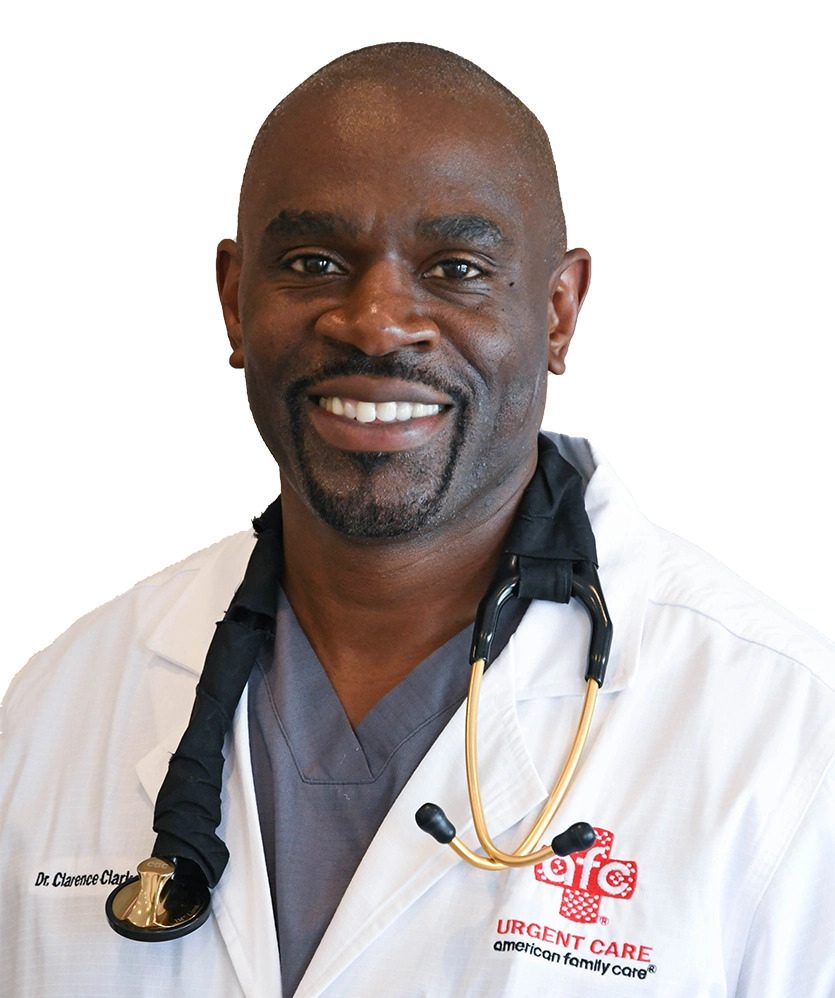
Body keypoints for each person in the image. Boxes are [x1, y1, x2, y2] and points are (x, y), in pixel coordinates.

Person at [1, 41, 833, 998]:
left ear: (558, 312)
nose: (377, 320)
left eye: (456, 267)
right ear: (234, 301)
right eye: (314, 262)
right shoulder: (56, 709)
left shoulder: (785, 741)